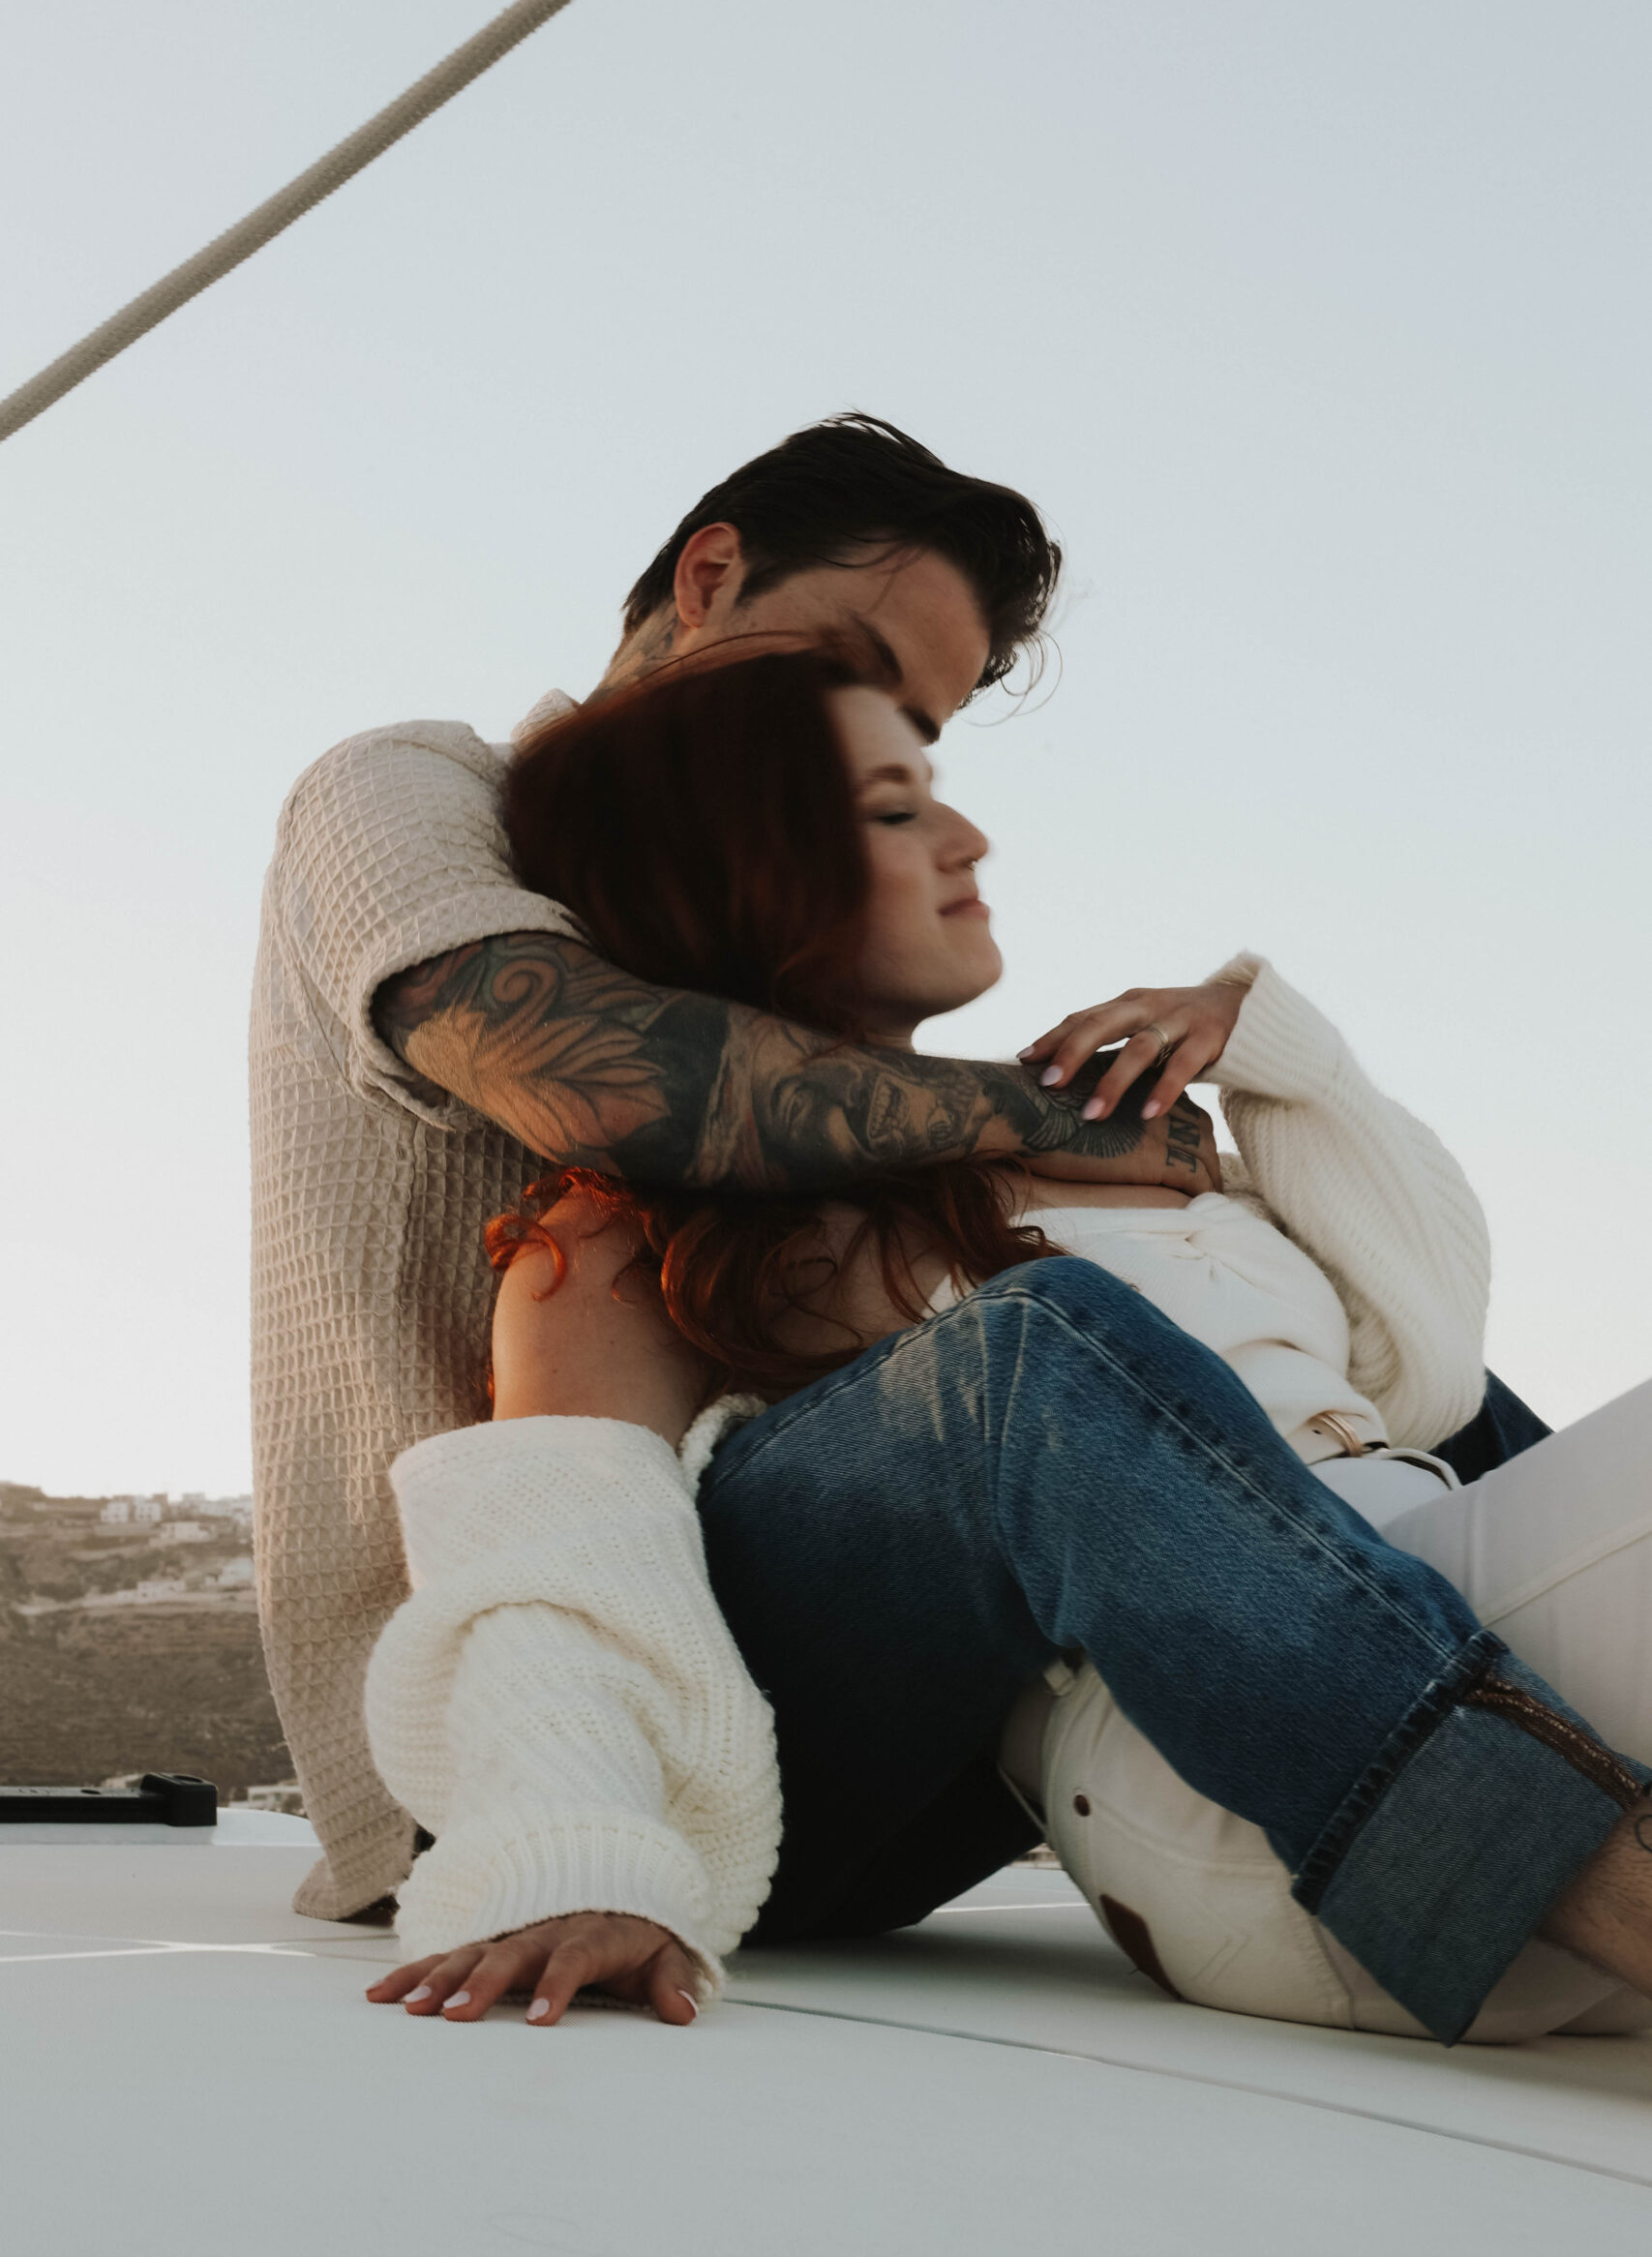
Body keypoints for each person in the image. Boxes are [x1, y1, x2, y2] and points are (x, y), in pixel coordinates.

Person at [354, 641, 1652, 2045]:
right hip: (1248, 1825)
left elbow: (1438, 1358)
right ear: (733, 862)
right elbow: (558, 1559)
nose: (968, 838)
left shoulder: (1115, 1142)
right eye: (895, 809)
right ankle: (1582, 1875)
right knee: (1039, 1346)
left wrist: (1267, 1045)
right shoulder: (637, 1233)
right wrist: (577, 1851)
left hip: (1504, 1680)